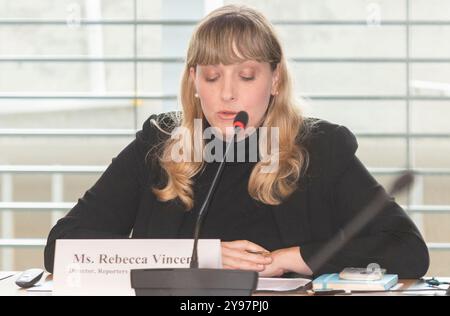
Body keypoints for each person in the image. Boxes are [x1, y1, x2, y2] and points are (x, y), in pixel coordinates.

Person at [44, 5, 429, 278]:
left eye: (246, 76)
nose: (228, 95)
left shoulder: (319, 147)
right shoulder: (159, 145)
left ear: (274, 80)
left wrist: (294, 258)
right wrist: (200, 257)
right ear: (194, 81)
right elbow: (61, 248)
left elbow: (407, 249)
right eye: (212, 77)